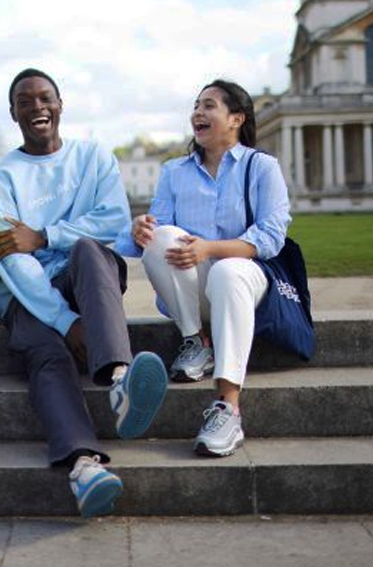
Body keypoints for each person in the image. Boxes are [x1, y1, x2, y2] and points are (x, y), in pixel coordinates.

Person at [0, 67, 168, 518]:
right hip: (29, 296)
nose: (37, 107)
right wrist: (66, 322)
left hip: (89, 279)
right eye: (25, 102)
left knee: (89, 250)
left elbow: (111, 225)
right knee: (46, 353)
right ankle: (84, 467)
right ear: (13, 113)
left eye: (45, 98)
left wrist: (46, 234)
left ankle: (118, 379)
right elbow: (13, 258)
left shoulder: (94, 157)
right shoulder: (2, 177)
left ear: (60, 104)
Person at [116, 79, 290, 457]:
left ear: (236, 119)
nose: (197, 112)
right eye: (195, 105)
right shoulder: (174, 170)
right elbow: (153, 237)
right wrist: (139, 229)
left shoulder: (262, 167)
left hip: (245, 282)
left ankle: (228, 407)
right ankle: (196, 341)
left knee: (228, 270)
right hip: (194, 294)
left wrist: (211, 248)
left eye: (209, 105)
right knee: (163, 236)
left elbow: (271, 238)